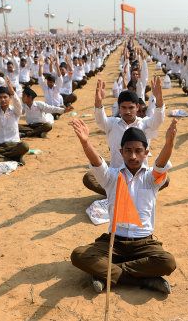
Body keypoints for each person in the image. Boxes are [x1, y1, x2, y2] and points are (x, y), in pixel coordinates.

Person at [70, 118, 178, 294]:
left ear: (146, 153)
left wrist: (169, 143)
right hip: (115, 242)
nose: (133, 156)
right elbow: (98, 164)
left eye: (138, 151)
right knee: (79, 255)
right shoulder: (112, 177)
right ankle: (145, 279)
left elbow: (161, 164)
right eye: (128, 151)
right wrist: (85, 142)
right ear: (121, 152)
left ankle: (106, 272)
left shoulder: (152, 179)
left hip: (144, 243)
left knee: (167, 262)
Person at [83, 77, 165, 196]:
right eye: (124, 108)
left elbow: (158, 120)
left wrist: (159, 99)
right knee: (89, 177)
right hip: (117, 175)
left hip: (140, 176)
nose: (127, 111)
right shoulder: (112, 124)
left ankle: (124, 193)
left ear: (137, 107)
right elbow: (100, 121)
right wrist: (98, 103)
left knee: (164, 178)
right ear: (119, 108)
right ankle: (118, 192)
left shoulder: (145, 124)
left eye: (131, 108)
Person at [0, 78, 30, 164]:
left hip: (14, 145)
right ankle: (12, 159)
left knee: (24, 146)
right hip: (0, 146)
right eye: (0, 97)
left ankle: (5, 158)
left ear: (9, 98)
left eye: (5, 97)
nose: (3, 100)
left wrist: (12, 91)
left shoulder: (15, 111)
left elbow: (18, 103)